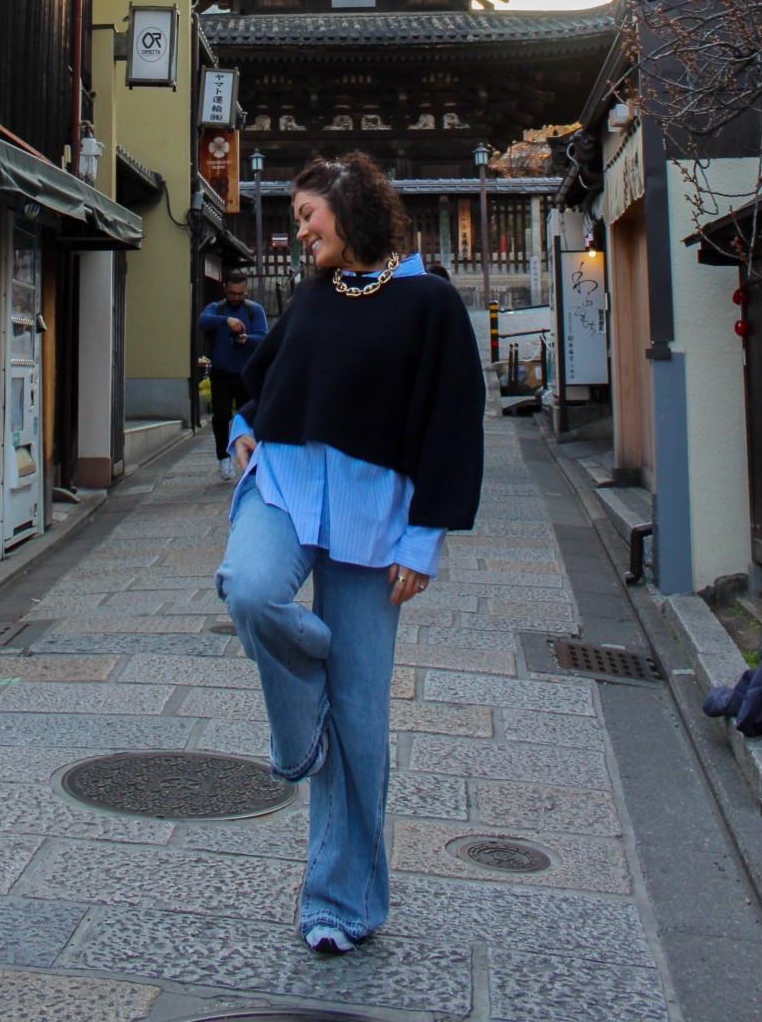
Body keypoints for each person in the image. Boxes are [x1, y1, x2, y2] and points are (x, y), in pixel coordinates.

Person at [216, 152, 485, 956]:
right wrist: (242, 428)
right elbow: (266, 378)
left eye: (307, 216)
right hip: (288, 483)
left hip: (376, 516)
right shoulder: (313, 294)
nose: (300, 233)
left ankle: (341, 901)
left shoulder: (430, 303)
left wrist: (424, 537)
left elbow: (451, 422)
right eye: (298, 219)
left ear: (349, 207)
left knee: (363, 720)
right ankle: (302, 734)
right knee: (249, 589)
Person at [198, 273, 268, 480]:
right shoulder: (217, 308)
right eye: (232, 293)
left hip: (247, 372)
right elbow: (203, 321)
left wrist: (248, 338)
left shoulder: (254, 310)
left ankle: (252, 458)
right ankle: (223, 457)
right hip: (221, 372)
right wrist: (226, 320)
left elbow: (264, 336)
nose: (236, 297)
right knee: (220, 416)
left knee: (248, 418)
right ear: (225, 289)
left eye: (240, 294)